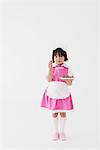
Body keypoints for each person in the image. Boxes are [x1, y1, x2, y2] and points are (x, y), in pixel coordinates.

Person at [41, 48, 74, 140]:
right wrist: (50, 69)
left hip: (63, 93)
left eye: (60, 56)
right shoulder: (52, 68)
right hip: (53, 94)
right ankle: (56, 132)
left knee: (63, 113)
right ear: (53, 57)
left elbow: (70, 83)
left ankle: (62, 132)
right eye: (56, 56)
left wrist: (67, 78)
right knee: (54, 113)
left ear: (65, 57)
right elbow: (49, 79)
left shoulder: (68, 69)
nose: (58, 58)